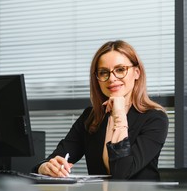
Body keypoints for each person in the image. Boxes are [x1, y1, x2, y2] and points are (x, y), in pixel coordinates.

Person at [33, 40, 168, 180]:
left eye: (120, 70)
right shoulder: (90, 117)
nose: (112, 78)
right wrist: (44, 167)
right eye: (104, 72)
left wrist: (119, 115)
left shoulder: (155, 118)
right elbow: (54, 158)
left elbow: (122, 172)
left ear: (136, 73)